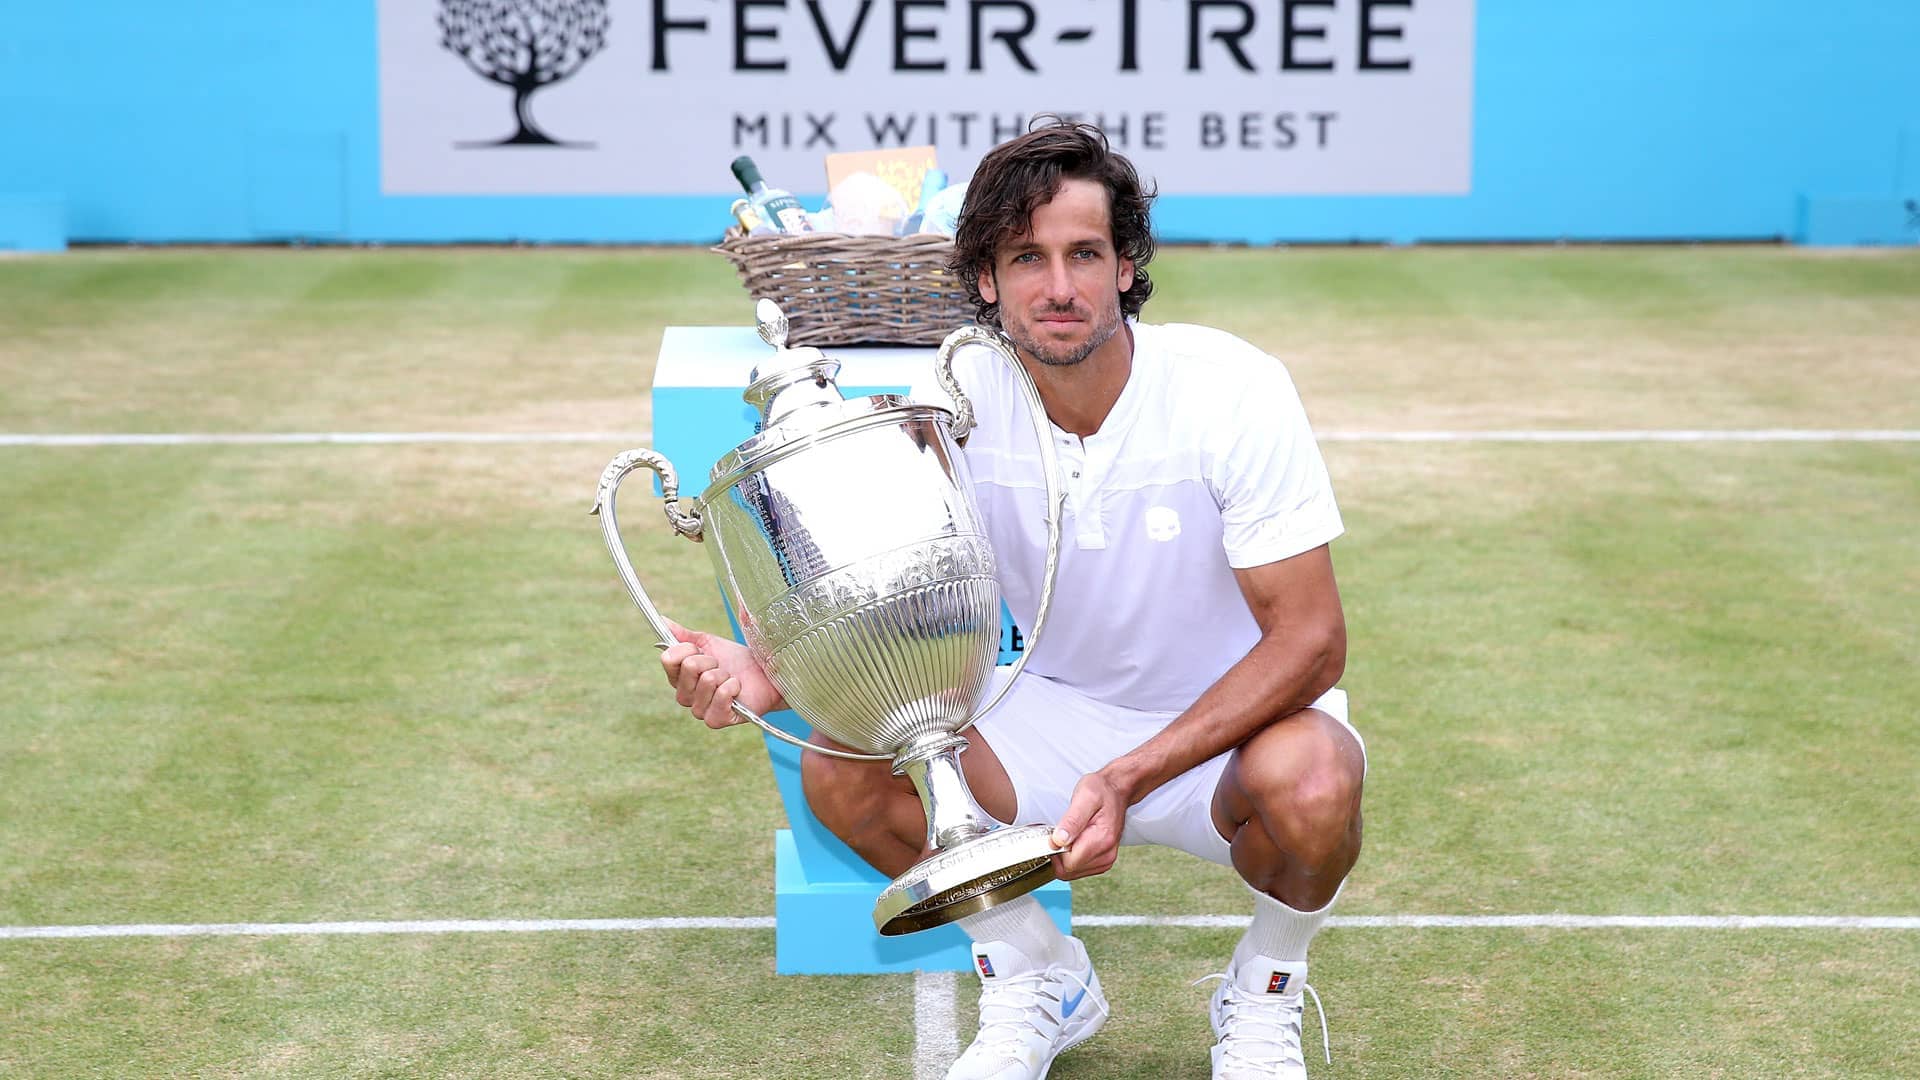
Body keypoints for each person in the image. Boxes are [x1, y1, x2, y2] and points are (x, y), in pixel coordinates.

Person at [661, 118, 1367, 1080]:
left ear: (1126, 266)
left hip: (1234, 730)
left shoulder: (1235, 390)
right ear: (986, 281)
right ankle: (1039, 974)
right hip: (1048, 709)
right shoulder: (954, 398)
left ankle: (1264, 990)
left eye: (1085, 253)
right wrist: (769, 675)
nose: (1060, 286)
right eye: (1025, 258)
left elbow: (1313, 643)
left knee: (1318, 781)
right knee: (840, 772)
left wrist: (1130, 775)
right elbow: (896, 607)